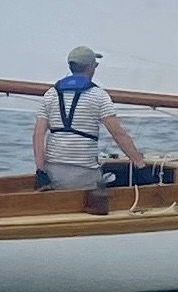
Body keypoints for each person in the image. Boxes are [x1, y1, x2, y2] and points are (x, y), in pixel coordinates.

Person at [33, 45, 150, 190]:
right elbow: (118, 134)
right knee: (115, 180)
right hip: (85, 176)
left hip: (53, 175)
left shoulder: (50, 94)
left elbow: (38, 135)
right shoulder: (99, 96)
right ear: (91, 66)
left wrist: (40, 171)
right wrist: (140, 164)